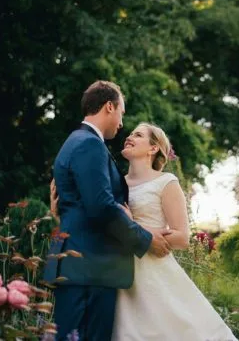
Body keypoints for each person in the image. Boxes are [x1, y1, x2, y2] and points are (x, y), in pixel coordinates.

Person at [51, 121, 238, 340]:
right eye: (130, 133)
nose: (129, 137)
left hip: (153, 275)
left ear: (153, 148)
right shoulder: (115, 182)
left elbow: (182, 237)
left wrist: (134, 225)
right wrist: (61, 212)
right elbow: (99, 217)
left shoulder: (166, 182)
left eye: (138, 135)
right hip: (116, 273)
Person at [44, 81, 172, 341]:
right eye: (122, 114)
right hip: (89, 268)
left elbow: (82, 204)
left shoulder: (77, 141)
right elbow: (101, 207)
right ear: (109, 107)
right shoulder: (89, 144)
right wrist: (145, 240)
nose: (122, 123)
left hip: (81, 266)